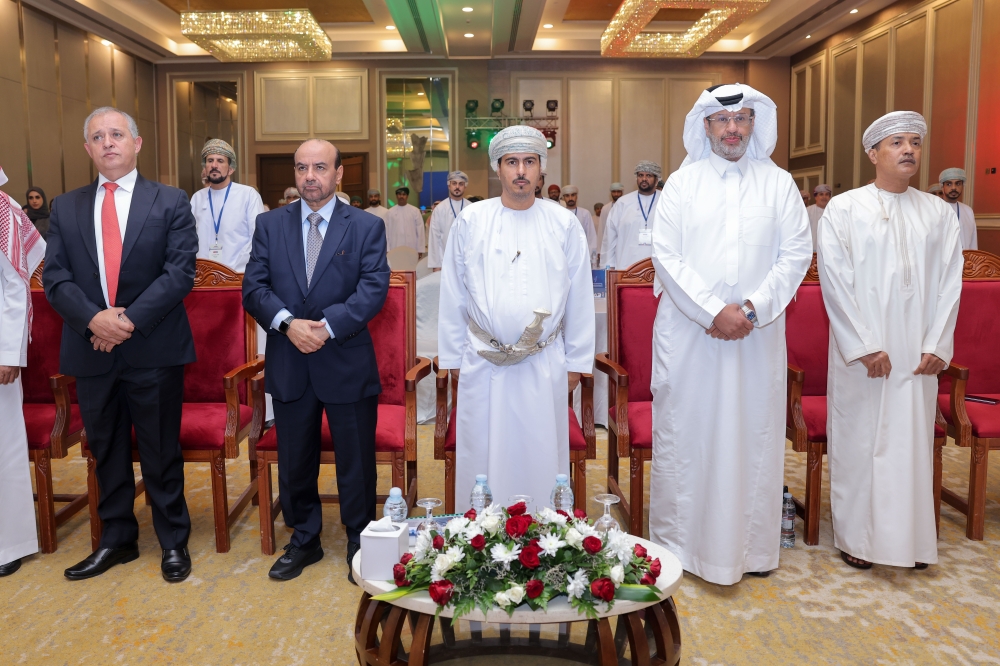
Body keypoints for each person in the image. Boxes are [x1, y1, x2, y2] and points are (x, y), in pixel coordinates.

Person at [649, 83, 812, 585]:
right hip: (691, 335)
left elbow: (796, 254)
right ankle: (680, 548)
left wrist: (750, 309)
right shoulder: (681, 183)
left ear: (755, 125)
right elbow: (666, 255)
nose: (733, 129)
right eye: (723, 121)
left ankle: (751, 550)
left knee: (753, 437)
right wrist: (713, 312)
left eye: (742, 119)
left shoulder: (779, 183)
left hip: (755, 338)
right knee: (688, 437)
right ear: (705, 127)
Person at [44, 106, 198, 583]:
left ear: (136, 144)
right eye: (97, 136)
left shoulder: (170, 201)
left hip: (153, 346)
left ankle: (173, 540)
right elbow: (55, 277)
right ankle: (117, 538)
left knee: (159, 448)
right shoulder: (65, 206)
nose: (108, 142)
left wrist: (124, 321)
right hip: (90, 347)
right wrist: (95, 319)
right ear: (88, 149)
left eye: (117, 134)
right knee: (104, 448)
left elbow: (179, 274)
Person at [818, 111, 963, 571]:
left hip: (917, 352)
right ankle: (858, 539)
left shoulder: (937, 212)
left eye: (915, 143)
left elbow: (950, 282)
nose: (908, 151)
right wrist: (864, 345)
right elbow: (835, 281)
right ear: (872, 153)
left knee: (911, 444)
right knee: (862, 442)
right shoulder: (844, 208)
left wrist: (938, 343)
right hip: (865, 353)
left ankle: (914, 542)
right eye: (897, 142)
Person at [243, 139, 389, 583]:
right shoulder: (269, 224)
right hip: (291, 359)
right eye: (302, 167)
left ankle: (358, 540)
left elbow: (373, 288)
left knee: (356, 460)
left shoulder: (365, 226)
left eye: (320, 167)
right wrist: (290, 325)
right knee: (295, 457)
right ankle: (303, 539)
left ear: (338, 173)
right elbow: (254, 287)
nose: (310, 176)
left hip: (344, 358)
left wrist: (324, 326)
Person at [438, 125, 595, 512]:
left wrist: (576, 362)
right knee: (482, 456)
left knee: (541, 451)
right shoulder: (471, 221)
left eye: (529, 162)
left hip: (544, 363)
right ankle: (479, 535)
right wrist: (453, 359)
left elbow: (579, 297)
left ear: (542, 169)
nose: (521, 171)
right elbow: (453, 294)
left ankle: (545, 538)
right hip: (482, 362)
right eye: (512, 162)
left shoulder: (563, 224)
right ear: (498, 168)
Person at [0, 166, 45, 577]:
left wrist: (10, 352)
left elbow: (16, 284)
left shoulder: (3, 210)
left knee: (3, 445)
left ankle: (8, 542)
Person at [190, 139, 264, 272]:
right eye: (210, 160)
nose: (214, 165)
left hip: (238, 276)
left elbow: (257, 237)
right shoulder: (197, 198)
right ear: (205, 167)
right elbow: (189, 238)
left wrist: (232, 271)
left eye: (220, 161)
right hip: (203, 277)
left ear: (231, 169)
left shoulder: (247, 195)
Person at [600, 162, 661, 270]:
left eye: (649, 175)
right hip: (626, 266)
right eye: (640, 175)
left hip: (659, 269)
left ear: (657, 179)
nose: (644, 179)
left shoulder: (666, 201)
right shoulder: (623, 203)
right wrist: (608, 266)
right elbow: (610, 236)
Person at [427, 170, 469, 272]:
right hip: (444, 262)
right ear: (449, 185)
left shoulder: (471, 208)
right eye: (454, 183)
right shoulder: (440, 209)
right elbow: (434, 238)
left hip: (467, 262)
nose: (457, 187)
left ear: (465, 186)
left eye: (461, 184)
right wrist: (436, 265)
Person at [939, 168, 977, 250]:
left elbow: (973, 241)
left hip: (966, 260)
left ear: (963, 186)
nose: (954, 188)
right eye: (949, 184)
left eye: (958, 184)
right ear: (942, 187)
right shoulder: (934, 208)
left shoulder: (968, 211)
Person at [561, 185, 598, 266]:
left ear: (576, 197)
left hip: (581, 256)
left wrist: (592, 259)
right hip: (564, 256)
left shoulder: (585, 213)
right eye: (567, 196)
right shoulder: (560, 213)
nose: (570, 198)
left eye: (573, 195)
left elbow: (591, 237)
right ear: (563, 198)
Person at [384, 187, 425, 254]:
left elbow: (420, 231)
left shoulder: (415, 211)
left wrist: (420, 249)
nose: (401, 196)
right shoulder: (390, 212)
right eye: (399, 194)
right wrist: (387, 249)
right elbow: (386, 232)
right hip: (394, 247)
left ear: (407, 196)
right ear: (396, 196)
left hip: (411, 247)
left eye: (404, 194)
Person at [596, 182, 624, 263]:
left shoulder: (626, 205)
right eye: (614, 192)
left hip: (623, 242)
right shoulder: (605, 208)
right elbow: (602, 228)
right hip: (609, 242)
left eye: (618, 192)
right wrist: (599, 250)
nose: (616, 194)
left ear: (622, 192)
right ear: (611, 193)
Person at [806, 184, 832, 251]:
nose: (824, 197)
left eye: (827, 194)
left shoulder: (834, 211)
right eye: (821, 194)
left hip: (829, 250)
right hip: (812, 250)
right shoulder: (807, 211)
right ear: (816, 197)